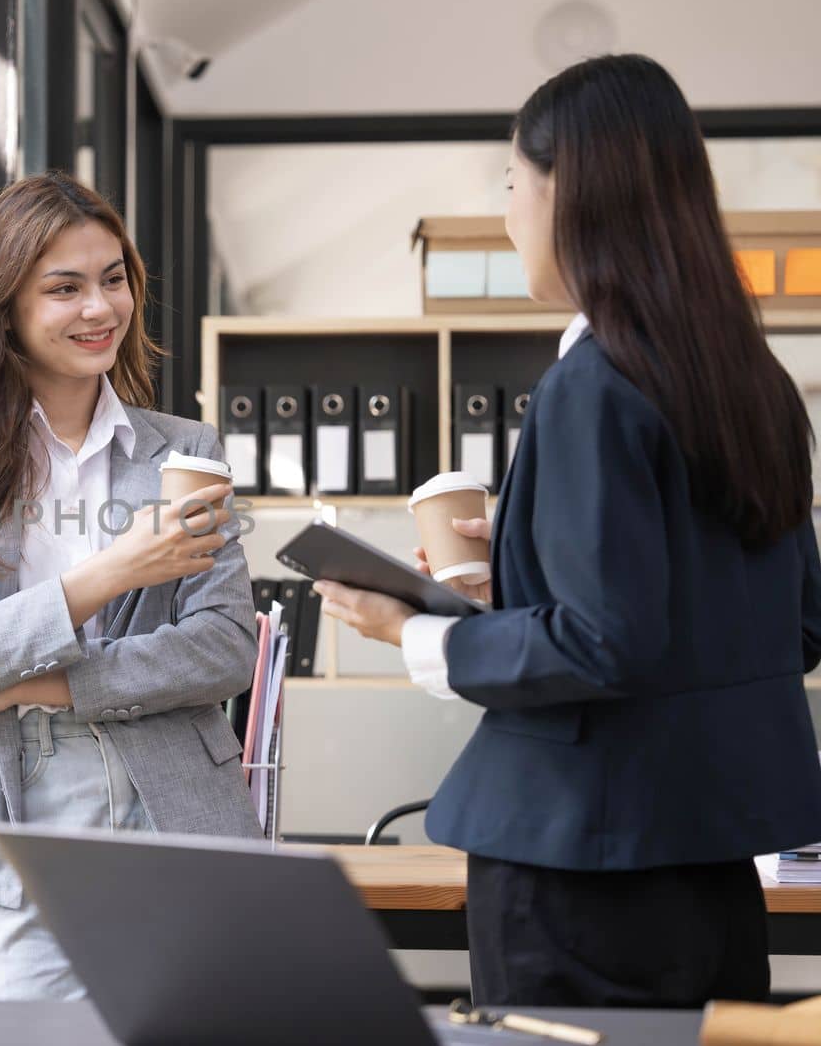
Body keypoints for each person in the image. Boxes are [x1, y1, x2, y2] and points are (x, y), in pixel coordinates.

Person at [314, 53, 821, 1008]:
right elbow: (788, 626)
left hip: (579, 876)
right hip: (714, 870)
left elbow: (606, 641)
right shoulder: (753, 382)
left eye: (513, 180)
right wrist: (531, 577)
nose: (508, 211)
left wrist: (411, 631)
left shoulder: (592, 386)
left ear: (571, 194)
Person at [0, 171, 262, 1000]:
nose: (99, 308)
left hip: (175, 800)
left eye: (113, 279)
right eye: (65, 287)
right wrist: (108, 576)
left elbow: (225, 648)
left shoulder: (185, 448)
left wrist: (22, 685)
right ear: (6, 305)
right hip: (14, 806)